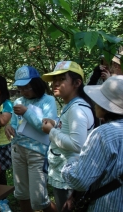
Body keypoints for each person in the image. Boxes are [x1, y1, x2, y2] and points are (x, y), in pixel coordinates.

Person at [61, 75, 123, 212]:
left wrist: (69, 164)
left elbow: (80, 180)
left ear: (107, 107)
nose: (95, 103)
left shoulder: (103, 134)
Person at [41, 61, 97, 212]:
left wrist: (51, 131)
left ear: (77, 83)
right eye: (54, 80)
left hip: (69, 177)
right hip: (64, 173)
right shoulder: (71, 106)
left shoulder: (76, 109)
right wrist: (56, 123)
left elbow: (77, 145)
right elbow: (70, 130)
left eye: (61, 79)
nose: (55, 84)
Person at [5, 66, 58, 212]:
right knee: (21, 194)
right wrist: (9, 127)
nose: (23, 92)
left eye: (26, 88)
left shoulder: (48, 101)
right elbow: (16, 124)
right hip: (18, 150)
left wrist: (27, 112)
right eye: (20, 88)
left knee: (38, 200)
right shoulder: (18, 102)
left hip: (37, 153)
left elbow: (45, 127)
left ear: (36, 84)